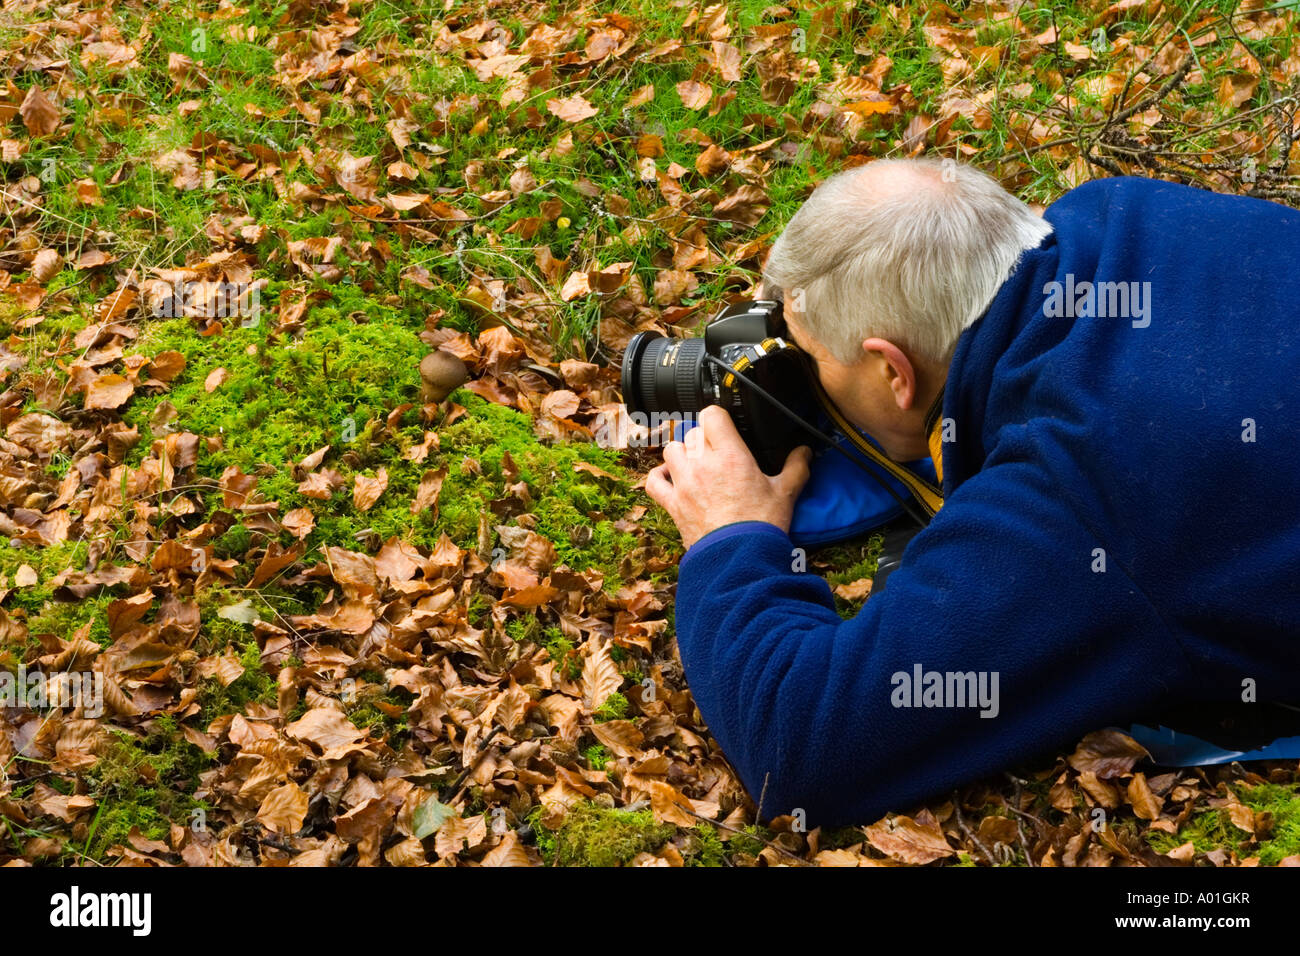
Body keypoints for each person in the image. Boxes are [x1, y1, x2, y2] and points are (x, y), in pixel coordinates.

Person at [644, 157, 1300, 826]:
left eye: (809, 361)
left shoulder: (1080, 492)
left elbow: (798, 743)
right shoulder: (1120, 211)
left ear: (893, 371)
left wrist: (731, 533)